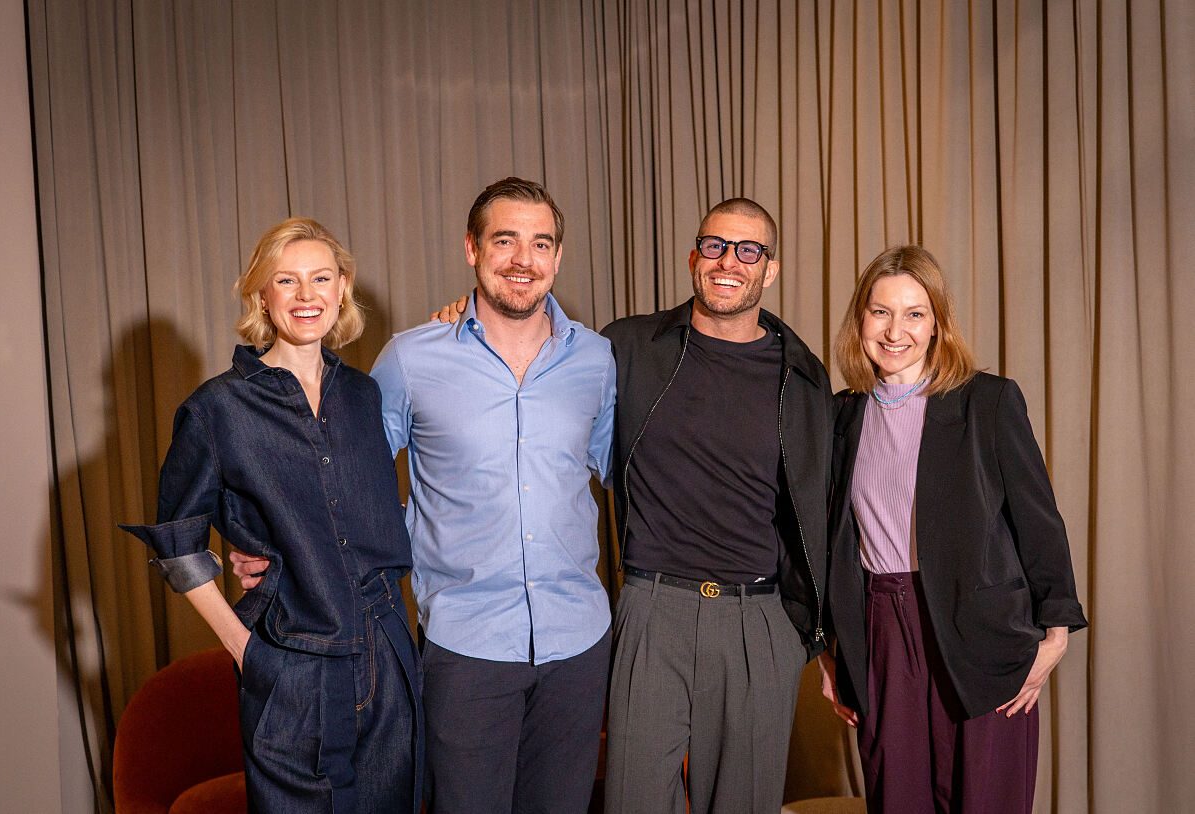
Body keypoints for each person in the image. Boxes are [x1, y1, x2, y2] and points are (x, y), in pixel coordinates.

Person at [235, 178, 616, 814]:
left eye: (540, 242)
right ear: (472, 248)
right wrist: (270, 543)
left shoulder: (598, 360)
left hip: (578, 643)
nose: (524, 258)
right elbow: (343, 476)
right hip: (465, 648)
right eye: (505, 240)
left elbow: (625, 474)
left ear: (557, 256)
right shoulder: (412, 359)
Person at [121, 218, 422, 812]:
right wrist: (246, 652)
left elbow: (366, 512)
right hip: (292, 662)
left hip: (388, 651)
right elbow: (177, 543)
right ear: (262, 295)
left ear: (342, 290)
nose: (306, 296)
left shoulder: (365, 397)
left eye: (321, 279)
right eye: (287, 281)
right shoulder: (216, 409)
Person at [818, 245, 1088, 813]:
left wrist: (1056, 634)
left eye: (915, 313)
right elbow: (823, 542)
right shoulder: (842, 416)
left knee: (986, 799)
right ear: (860, 321)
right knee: (899, 799)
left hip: (983, 631)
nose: (896, 331)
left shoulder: (987, 401)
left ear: (937, 323)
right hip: (882, 632)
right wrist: (829, 652)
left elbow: (1038, 521)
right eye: (880, 312)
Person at [601, 198, 833, 813]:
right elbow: (537, 364)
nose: (729, 261)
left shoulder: (804, 378)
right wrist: (471, 318)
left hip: (758, 622)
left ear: (770, 269)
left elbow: (825, 511)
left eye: (748, 250)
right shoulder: (627, 346)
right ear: (693, 256)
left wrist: (813, 632)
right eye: (715, 246)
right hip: (653, 610)